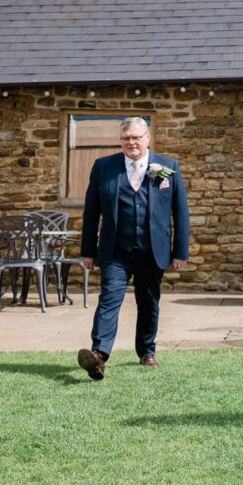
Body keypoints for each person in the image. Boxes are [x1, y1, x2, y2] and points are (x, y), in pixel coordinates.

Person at [76, 117, 189, 380]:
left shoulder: (168, 166)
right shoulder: (104, 166)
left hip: (153, 250)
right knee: (109, 298)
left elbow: (180, 211)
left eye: (136, 137)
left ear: (147, 137)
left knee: (148, 301)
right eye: (126, 138)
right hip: (116, 250)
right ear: (120, 140)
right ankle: (99, 354)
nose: (131, 143)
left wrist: (180, 251)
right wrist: (88, 250)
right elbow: (91, 212)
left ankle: (147, 352)